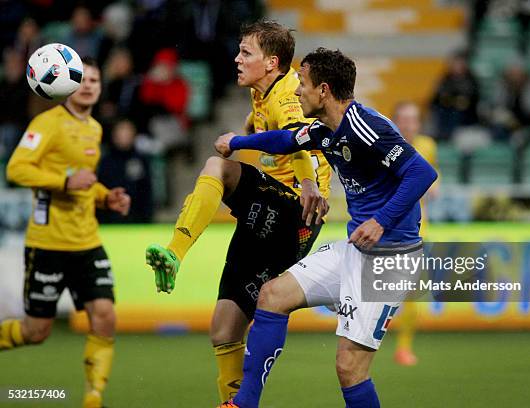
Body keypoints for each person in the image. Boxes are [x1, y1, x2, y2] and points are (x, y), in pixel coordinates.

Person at [212, 47, 438, 408]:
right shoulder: (323, 129)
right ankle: (243, 404)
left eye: (302, 83)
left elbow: (422, 172)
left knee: (349, 369)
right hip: (355, 250)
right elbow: (286, 140)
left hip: (389, 260)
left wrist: (381, 221)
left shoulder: (366, 126)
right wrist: (237, 142)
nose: (297, 90)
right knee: (273, 295)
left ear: (324, 90)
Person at [144, 21, 331, 403]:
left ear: (271, 62)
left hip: (294, 206)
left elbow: (296, 141)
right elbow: (267, 126)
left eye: (246, 52)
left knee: (218, 168)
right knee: (224, 329)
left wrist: (309, 183)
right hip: (275, 220)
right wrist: (246, 131)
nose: (237, 58)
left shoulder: (285, 95)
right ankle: (236, 403)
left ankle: (175, 253)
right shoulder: (262, 93)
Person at [0, 57, 131, 408]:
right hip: (48, 244)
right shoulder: (47, 123)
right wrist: (63, 181)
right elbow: (16, 169)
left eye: (95, 80)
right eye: (83, 79)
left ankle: (93, 396)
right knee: (35, 332)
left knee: (105, 314)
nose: (89, 85)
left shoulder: (94, 128)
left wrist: (106, 197)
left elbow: (84, 181)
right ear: (69, 85)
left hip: (87, 241)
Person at [391, 101, 439, 366]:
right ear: (395, 121)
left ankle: (404, 347)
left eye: (413, 119)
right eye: (404, 119)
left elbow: (434, 173)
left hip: (418, 228)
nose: (408, 124)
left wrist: (434, 184)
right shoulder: (384, 146)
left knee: (411, 291)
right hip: (386, 227)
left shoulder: (428, 146)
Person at [97, 119, 153, 224]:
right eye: (120, 131)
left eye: (127, 131)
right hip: (109, 220)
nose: (124, 135)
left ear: (134, 135)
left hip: (137, 219)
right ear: (114, 135)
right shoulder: (105, 161)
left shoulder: (141, 160)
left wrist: (147, 217)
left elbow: (146, 190)